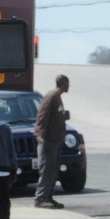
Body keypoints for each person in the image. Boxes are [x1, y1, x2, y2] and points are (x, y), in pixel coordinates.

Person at [33, 74, 69, 208]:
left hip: (55, 140)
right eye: (68, 83)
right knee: (46, 170)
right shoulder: (51, 95)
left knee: (53, 171)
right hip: (47, 141)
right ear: (63, 83)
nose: (69, 86)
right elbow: (42, 115)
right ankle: (40, 199)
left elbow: (56, 115)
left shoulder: (58, 97)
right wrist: (42, 135)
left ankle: (48, 197)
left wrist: (64, 116)